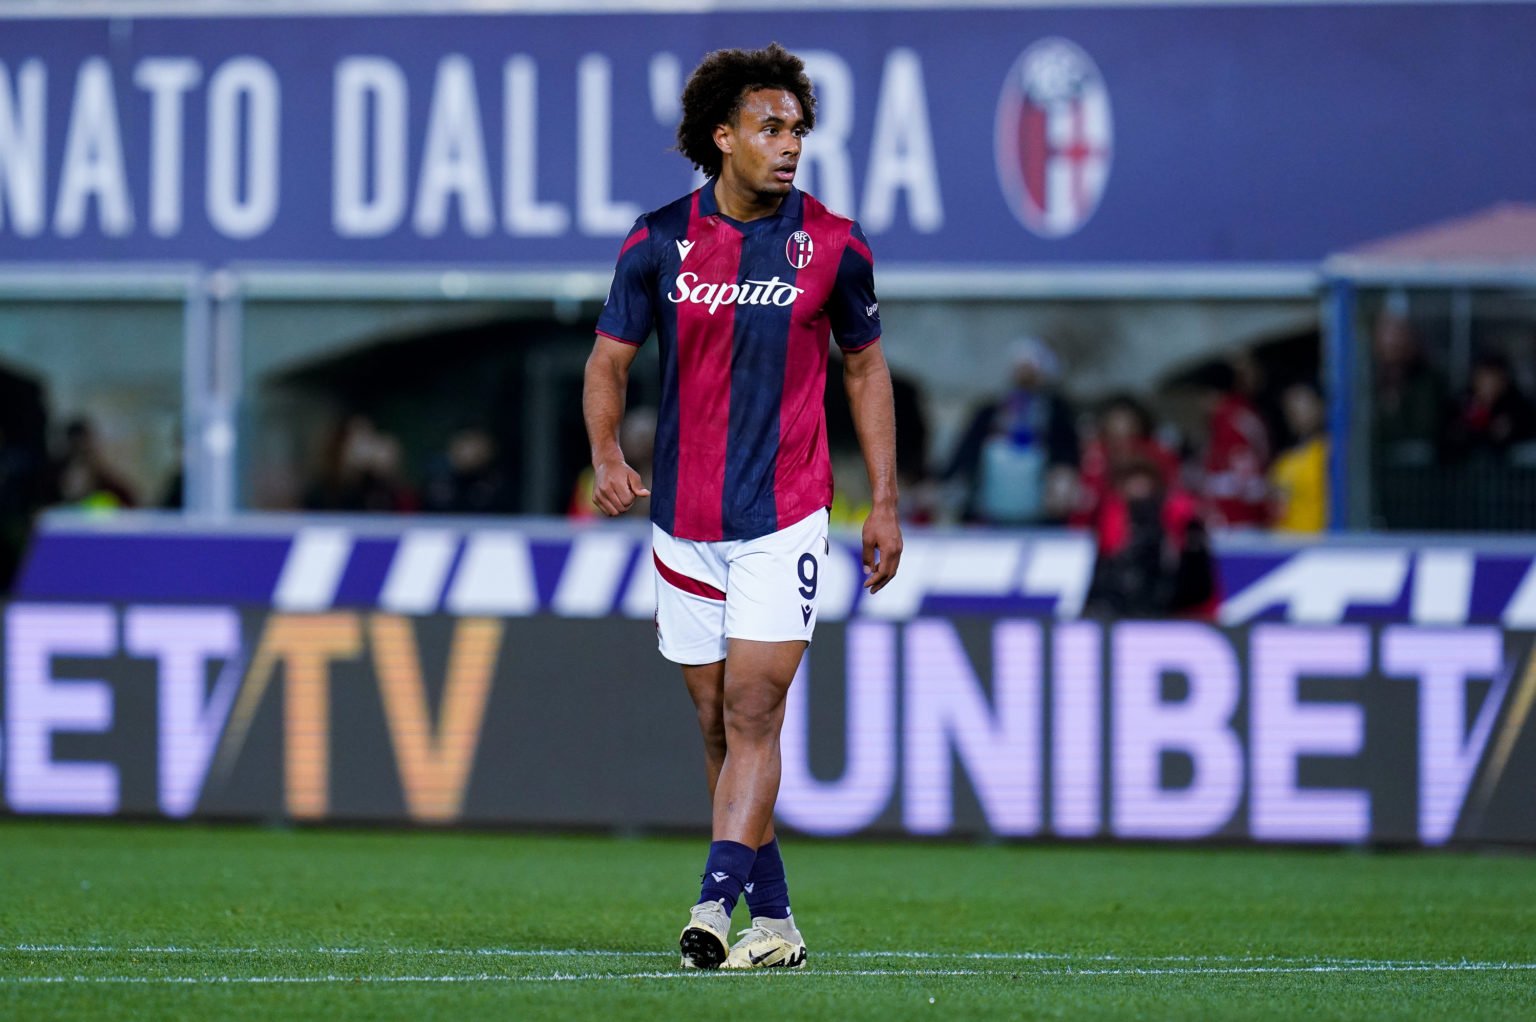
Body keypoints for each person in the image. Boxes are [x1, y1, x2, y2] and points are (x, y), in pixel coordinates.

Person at [582, 42, 902, 971]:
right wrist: (606, 451)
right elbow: (608, 360)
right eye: (771, 128)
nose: (790, 144)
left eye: (798, 129)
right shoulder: (655, 242)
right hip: (683, 516)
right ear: (722, 138)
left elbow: (865, 366)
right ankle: (778, 922)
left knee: (757, 709)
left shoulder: (834, 246)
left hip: (787, 508)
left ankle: (711, 909)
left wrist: (884, 502)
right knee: (717, 721)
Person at [938, 337, 1078, 525]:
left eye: (1031, 369)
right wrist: (945, 481)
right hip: (989, 512)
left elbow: (1068, 454)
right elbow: (965, 451)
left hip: (1041, 513)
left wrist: (1063, 475)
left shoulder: (1057, 414)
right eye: (1021, 368)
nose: (1025, 375)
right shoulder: (989, 412)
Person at [1268, 381, 1329, 533]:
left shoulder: (1332, 453)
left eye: (1302, 401)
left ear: (1321, 406)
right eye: (1289, 404)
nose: (1294, 410)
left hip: (1319, 546)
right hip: (1283, 545)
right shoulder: (1284, 460)